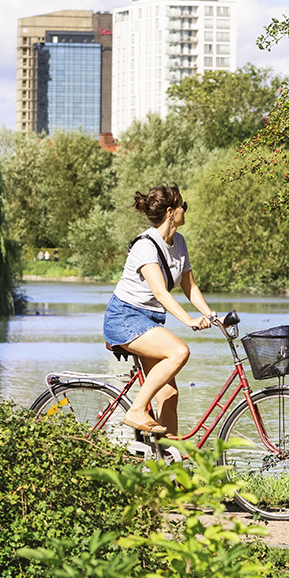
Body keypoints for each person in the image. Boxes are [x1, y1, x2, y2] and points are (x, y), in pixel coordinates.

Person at [102, 184, 215, 437]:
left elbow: (190, 286)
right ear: (171, 212)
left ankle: (168, 467)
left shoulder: (180, 243)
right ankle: (137, 409)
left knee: (170, 394)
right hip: (125, 317)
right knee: (179, 351)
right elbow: (161, 293)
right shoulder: (145, 246)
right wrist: (189, 321)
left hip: (148, 321)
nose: (186, 210)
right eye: (182, 206)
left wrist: (211, 315)